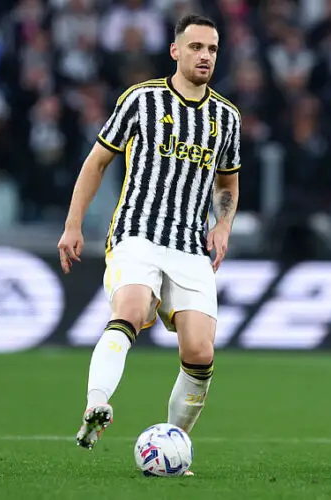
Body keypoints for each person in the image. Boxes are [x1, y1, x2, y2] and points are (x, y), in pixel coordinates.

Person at [56, 14, 241, 472]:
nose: (205, 56)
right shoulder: (142, 100)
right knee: (132, 311)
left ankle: (174, 445)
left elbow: (227, 182)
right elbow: (96, 162)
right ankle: (96, 405)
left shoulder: (227, 117)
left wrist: (222, 226)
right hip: (137, 235)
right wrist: (73, 225)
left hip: (188, 246)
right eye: (196, 47)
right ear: (175, 51)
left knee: (200, 352)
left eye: (212, 49)